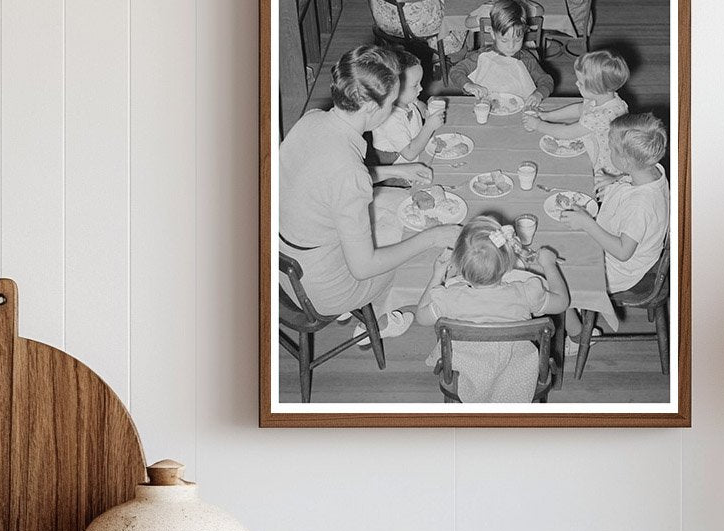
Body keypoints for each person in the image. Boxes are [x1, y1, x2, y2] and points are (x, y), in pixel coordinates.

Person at [279, 46, 458, 343]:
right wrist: (432, 237)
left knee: (401, 206)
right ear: (373, 108)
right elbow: (364, 268)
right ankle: (386, 316)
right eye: (391, 104)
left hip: (284, 264)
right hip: (319, 289)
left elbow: (326, 183)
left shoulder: (312, 119)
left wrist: (395, 171)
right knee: (418, 236)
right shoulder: (349, 173)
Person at [415, 217, 569, 402]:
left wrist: (437, 275)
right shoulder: (525, 293)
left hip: (467, 370)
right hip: (517, 371)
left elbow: (421, 317)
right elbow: (562, 303)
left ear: (458, 266)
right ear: (508, 263)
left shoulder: (450, 298)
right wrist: (549, 264)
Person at [558, 113, 670, 349]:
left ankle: (578, 335)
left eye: (610, 148)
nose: (607, 151)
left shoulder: (641, 206)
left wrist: (588, 224)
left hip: (620, 268)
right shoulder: (653, 169)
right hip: (629, 248)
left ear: (627, 161)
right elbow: (635, 177)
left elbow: (622, 251)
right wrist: (616, 179)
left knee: (557, 277)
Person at [522, 49, 629, 186]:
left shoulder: (602, 115)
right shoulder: (604, 97)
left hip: (609, 170)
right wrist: (548, 115)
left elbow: (567, 133)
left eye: (581, 83)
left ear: (596, 88)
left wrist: (538, 125)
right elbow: (580, 109)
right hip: (596, 152)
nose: (576, 84)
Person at [449, 0, 554, 107]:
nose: (511, 46)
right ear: (493, 35)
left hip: (519, 110)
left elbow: (547, 81)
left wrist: (539, 94)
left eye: (517, 40)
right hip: (487, 108)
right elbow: (455, 71)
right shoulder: (483, 56)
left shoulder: (527, 59)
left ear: (524, 34)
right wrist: (468, 85)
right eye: (504, 40)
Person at [371, 48, 445, 164]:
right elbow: (409, 154)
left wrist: (427, 109)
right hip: (398, 167)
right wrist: (429, 127)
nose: (421, 88)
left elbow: (418, 103)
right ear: (394, 88)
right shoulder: (389, 119)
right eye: (415, 85)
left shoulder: (404, 99)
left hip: (416, 149)